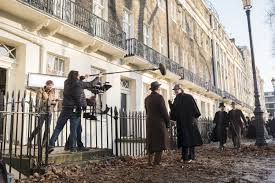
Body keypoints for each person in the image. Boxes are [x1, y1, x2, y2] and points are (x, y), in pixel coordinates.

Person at [48, 70, 83, 153]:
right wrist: (79, 108)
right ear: (76, 76)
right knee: (73, 129)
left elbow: (75, 82)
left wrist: (82, 78)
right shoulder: (78, 84)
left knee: (58, 127)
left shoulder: (66, 82)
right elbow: (78, 98)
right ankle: (72, 148)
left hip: (65, 108)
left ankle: (51, 144)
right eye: (78, 75)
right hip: (74, 109)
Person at [64, 75, 100, 151]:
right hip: (75, 110)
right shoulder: (77, 85)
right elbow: (90, 84)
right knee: (76, 129)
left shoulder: (76, 86)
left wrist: (89, 100)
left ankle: (69, 145)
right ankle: (76, 146)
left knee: (77, 129)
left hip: (76, 110)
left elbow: (82, 98)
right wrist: (98, 77)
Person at [170, 84, 203, 163]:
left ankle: (192, 157)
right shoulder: (176, 99)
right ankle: (184, 157)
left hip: (189, 122)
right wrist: (170, 105)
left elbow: (195, 110)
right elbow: (174, 113)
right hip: (181, 124)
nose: (176, 91)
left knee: (191, 140)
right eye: (175, 90)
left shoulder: (188, 97)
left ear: (181, 89)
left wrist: (193, 119)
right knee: (183, 140)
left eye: (177, 89)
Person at [145, 81, 170, 166]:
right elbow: (164, 111)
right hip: (159, 123)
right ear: (158, 88)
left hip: (149, 122)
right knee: (160, 142)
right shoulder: (160, 98)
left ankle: (149, 161)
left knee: (151, 141)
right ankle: (156, 162)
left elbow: (147, 111)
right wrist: (168, 122)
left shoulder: (147, 98)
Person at [29, 80, 56, 146]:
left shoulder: (52, 91)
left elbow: (54, 100)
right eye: (49, 85)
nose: (50, 87)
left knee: (47, 128)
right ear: (46, 85)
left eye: (51, 86)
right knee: (39, 127)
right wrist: (49, 101)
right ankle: (30, 140)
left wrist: (54, 102)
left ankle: (44, 143)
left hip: (49, 111)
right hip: (42, 111)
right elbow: (39, 101)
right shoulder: (41, 90)